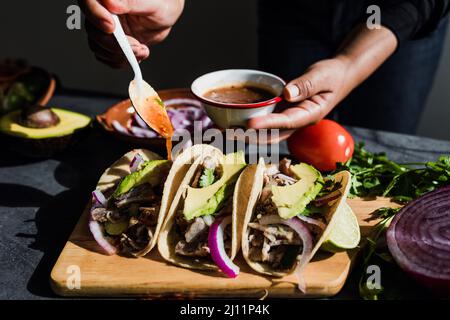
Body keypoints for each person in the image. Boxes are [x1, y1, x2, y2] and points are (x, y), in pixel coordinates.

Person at [78, 0, 450, 134]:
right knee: (275, 139)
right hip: (292, 11)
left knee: (379, 142)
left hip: (402, 19)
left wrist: (350, 64)